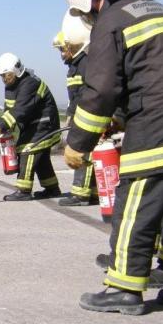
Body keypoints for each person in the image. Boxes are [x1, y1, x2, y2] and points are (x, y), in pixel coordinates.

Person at [63, 0, 163, 314]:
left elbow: (101, 90)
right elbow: (154, 76)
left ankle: (124, 289)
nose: (88, 19)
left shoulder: (112, 21)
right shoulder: (161, 10)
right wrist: (121, 119)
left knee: (135, 208)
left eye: (85, 12)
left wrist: (78, 143)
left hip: (159, 129)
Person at [0, 53, 61, 201]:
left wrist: (0, 124)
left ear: (16, 71)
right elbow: (9, 109)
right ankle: (52, 188)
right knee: (41, 158)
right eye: (2, 76)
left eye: (6, 75)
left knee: (28, 150)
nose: (4, 79)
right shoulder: (11, 85)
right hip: (33, 124)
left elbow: (20, 109)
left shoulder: (30, 83)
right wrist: (5, 128)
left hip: (45, 124)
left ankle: (23, 190)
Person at [52, 12, 98, 207]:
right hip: (80, 114)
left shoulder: (85, 64)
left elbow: (85, 95)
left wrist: (73, 115)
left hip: (86, 116)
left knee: (82, 150)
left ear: (73, 46)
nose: (62, 53)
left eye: (63, 49)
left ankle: (80, 194)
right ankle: (94, 192)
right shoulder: (75, 66)